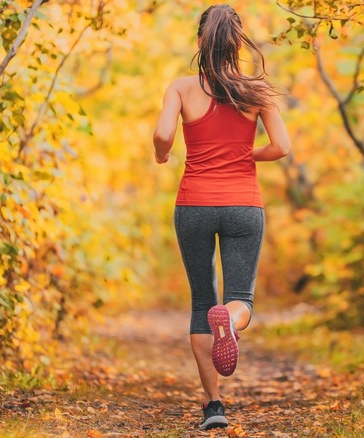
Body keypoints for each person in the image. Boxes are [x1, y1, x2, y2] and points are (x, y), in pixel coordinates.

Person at [152, 3, 291, 431]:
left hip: (193, 203)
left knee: (200, 303)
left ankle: (214, 406)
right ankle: (229, 319)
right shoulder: (257, 90)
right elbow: (282, 147)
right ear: (237, 44)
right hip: (243, 205)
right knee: (240, 299)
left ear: (200, 42)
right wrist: (246, 154)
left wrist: (163, 154)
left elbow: (162, 134)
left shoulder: (180, 86)